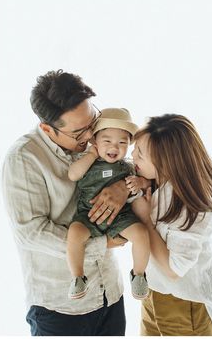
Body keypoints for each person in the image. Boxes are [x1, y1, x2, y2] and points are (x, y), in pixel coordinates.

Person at [2, 69, 134, 336]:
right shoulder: (24, 159)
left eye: (92, 122)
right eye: (78, 133)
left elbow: (138, 167)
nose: (89, 137)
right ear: (47, 128)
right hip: (61, 307)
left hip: (110, 291)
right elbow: (32, 232)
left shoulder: (97, 140)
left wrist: (124, 187)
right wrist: (102, 244)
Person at [130, 114, 212, 336]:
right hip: (154, 294)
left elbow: (174, 269)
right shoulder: (154, 182)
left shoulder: (191, 205)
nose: (132, 156)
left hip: (186, 303)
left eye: (140, 154)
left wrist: (145, 220)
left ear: (166, 162)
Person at [67, 107, 151, 300]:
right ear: (94, 141)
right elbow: (73, 175)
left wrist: (140, 183)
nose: (115, 147)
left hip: (120, 216)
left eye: (122, 142)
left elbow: (147, 182)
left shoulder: (129, 166)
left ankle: (139, 274)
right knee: (74, 233)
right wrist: (90, 155)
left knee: (140, 233)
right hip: (88, 214)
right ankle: (78, 277)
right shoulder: (87, 161)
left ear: (130, 144)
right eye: (107, 141)